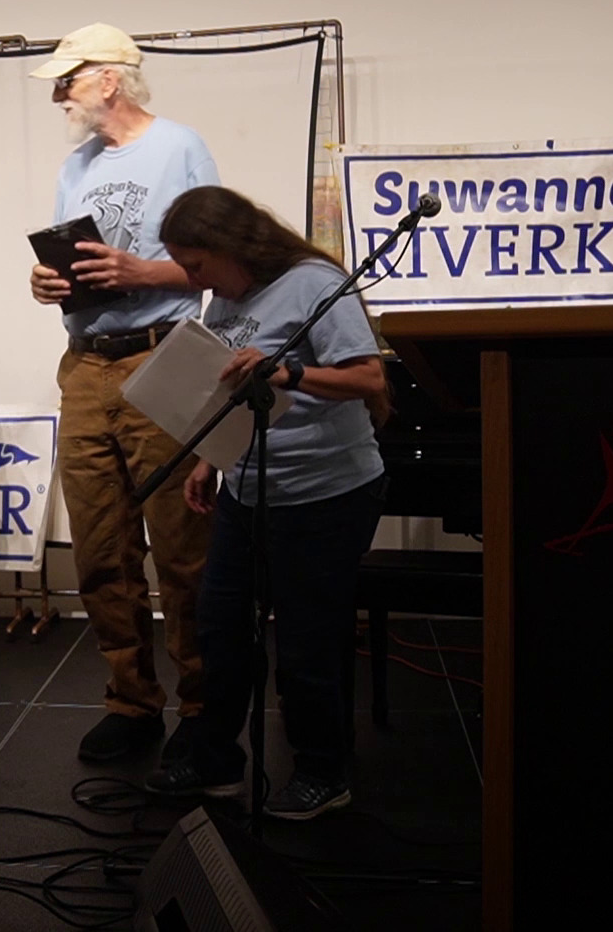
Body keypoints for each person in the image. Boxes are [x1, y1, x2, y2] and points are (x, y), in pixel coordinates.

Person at [146, 185, 389, 821]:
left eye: (195, 264)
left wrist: (291, 374)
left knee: (308, 641)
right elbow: (233, 390)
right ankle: (216, 762)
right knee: (221, 627)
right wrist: (209, 458)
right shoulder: (222, 298)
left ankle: (322, 771)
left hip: (326, 491)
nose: (191, 277)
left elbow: (369, 378)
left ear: (232, 246)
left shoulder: (313, 283)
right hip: (249, 487)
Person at [27, 23, 218, 766]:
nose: (58, 92)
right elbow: (68, 264)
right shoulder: (75, 164)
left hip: (163, 358)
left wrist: (144, 274)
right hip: (85, 366)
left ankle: (204, 706)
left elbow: (218, 260)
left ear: (109, 79)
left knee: (183, 549)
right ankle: (131, 701)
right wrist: (44, 283)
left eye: (68, 78)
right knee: (101, 549)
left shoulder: (180, 147)